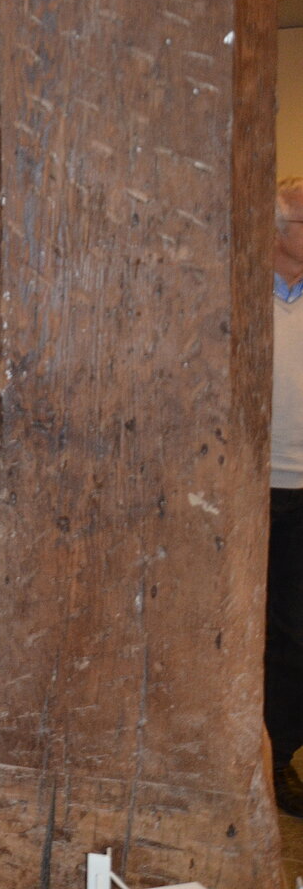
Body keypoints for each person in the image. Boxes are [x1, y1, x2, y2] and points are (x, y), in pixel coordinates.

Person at [271, 177, 303, 817]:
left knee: (297, 634)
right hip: (253, 488)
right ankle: (264, 757)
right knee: (259, 632)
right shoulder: (239, 295)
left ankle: (281, 750)